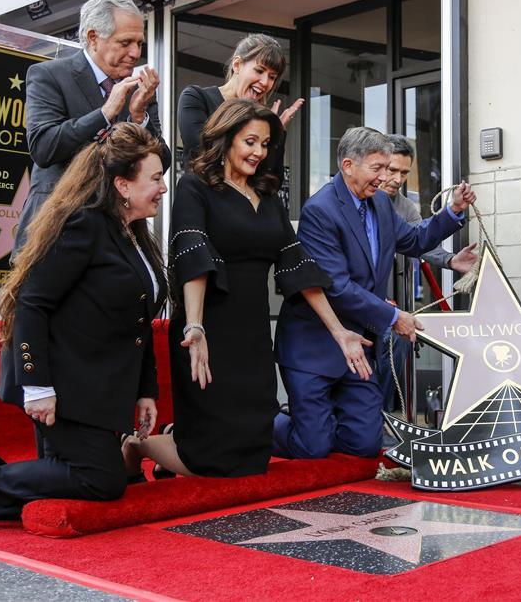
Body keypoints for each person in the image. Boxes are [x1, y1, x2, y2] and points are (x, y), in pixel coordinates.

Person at [0, 123, 168, 526]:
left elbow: (138, 323)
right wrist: (37, 385)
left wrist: (145, 392)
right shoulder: (85, 225)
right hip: (61, 384)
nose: (163, 187)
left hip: (96, 387)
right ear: (122, 184)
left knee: (94, 476)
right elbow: (31, 302)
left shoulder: (132, 233)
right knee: (101, 479)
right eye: (155, 178)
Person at [121, 99, 371, 478]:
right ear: (226, 138)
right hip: (208, 327)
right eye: (250, 141)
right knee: (212, 460)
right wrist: (195, 326)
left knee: (253, 455)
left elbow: (299, 266)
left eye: (266, 144)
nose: (259, 152)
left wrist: (339, 332)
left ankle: (171, 441)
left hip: (253, 332)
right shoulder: (195, 186)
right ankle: (138, 444)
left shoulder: (268, 195)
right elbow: (193, 256)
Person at [273, 127, 476, 460]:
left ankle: (321, 423)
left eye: (388, 168)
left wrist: (451, 212)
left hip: (360, 346)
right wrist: (394, 317)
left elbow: (413, 240)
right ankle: (269, 426)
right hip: (314, 347)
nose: (386, 178)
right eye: (378, 168)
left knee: (363, 445)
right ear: (349, 165)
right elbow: (336, 286)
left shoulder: (381, 204)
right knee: (313, 447)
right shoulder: (320, 210)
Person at [16, 0, 169, 251]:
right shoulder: (49, 75)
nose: (135, 53)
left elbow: (161, 162)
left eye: (139, 44)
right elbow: (44, 148)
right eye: (125, 43)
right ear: (93, 38)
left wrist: (138, 116)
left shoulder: (138, 89)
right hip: (57, 234)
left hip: (118, 238)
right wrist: (105, 114)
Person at [376, 134, 478, 411]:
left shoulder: (404, 206)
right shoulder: (352, 200)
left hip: (381, 304)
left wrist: (450, 260)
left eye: (404, 173)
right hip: (347, 302)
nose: (397, 179)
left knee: (399, 338)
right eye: (392, 170)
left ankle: (382, 415)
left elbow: (417, 241)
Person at [177, 33, 303, 180]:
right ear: (237, 65)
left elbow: (272, 180)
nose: (265, 82)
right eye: (259, 71)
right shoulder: (196, 98)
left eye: (272, 77)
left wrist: (275, 134)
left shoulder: (261, 120)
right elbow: (202, 154)